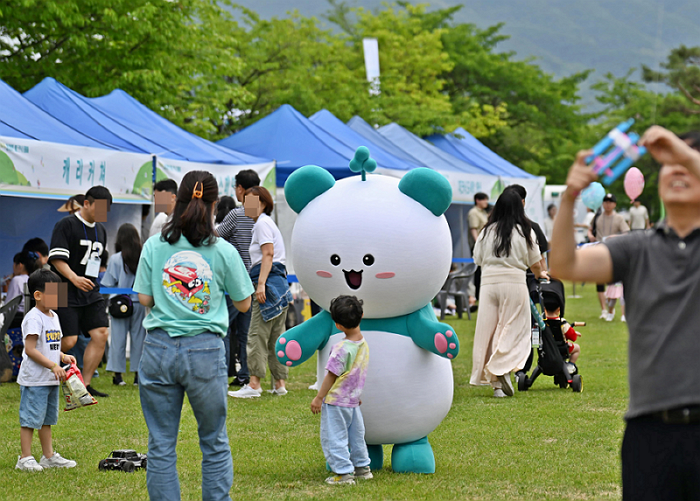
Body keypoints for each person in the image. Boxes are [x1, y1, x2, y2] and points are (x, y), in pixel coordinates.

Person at [550, 126, 700, 501]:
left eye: (687, 165)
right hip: (649, 433)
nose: (678, 170)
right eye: (669, 166)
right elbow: (565, 264)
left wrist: (681, 154)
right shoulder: (636, 249)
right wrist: (569, 198)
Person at [133, 170, 253, 501]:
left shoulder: (155, 245)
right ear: (215, 204)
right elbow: (243, 303)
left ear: (178, 201)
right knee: (213, 440)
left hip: (157, 349)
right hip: (205, 350)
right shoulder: (223, 250)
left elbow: (144, 298)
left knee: (160, 443)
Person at [470, 190, 547, 397]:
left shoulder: (486, 231)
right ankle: (499, 367)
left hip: (488, 284)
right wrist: (543, 275)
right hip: (514, 282)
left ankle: (497, 386)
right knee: (513, 327)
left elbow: (477, 259)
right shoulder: (525, 231)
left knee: (489, 329)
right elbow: (535, 263)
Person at [48, 186, 112, 398]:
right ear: (86, 203)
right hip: (61, 287)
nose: (103, 214)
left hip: (89, 289)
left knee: (101, 333)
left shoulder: (101, 230)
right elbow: (56, 259)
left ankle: (83, 384)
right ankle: (43, 374)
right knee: (68, 341)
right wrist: (74, 278)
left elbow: (99, 262)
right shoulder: (66, 225)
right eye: (100, 208)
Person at [229, 186, 292, 399]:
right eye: (245, 201)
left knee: (256, 334)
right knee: (276, 336)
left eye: (251, 201)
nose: (246, 205)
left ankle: (254, 384)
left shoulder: (261, 224)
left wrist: (261, 284)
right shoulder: (268, 223)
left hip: (268, 282)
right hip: (281, 285)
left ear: (263, 203)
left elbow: (268, 254)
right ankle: (279, 382)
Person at [16, 269, 77, 471]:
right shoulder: (34, 318)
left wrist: (62, 357)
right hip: (35, 379)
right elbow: (31, 349)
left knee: (46, 419)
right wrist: (53, 365)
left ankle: (48, 456)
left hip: (50, 378)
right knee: (30, 419)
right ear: (38, 295)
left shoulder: (54, 316)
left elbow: (51, 346)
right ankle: (24, 458)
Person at [310, 295, 372, 485]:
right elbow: (357, 372)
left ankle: (343, 473)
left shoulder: (341, 348)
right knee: (356, 436)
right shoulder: (363, 344)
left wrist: (319, 398)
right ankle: (362, 468)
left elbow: (332, 375)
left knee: (334, 436)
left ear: (337, 325)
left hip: (336, 401)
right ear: (361, 316)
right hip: (353, 400)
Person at [218, 169, 261, 387]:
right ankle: (245, 374)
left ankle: (223, 372)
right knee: (247, 333)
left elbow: (215, 236)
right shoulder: (262, 216)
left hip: (236, 283)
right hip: (256, 281)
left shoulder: (237, 214)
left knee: (224, 327)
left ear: (241, 189)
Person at [102, 224, 146, 387]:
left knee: (118, 340)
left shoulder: (115, 259)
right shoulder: (142, 257)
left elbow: (108, 282)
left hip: (119, 304)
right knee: (139, 339)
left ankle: (118, 375)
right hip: (139, 302)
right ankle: (137, 376)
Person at [587, 193, 629, 320]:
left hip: (615, 252)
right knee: (599, 281)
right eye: (605, 202)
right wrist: (590, 235)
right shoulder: (598, 217)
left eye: (610, 202)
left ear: (614, 204)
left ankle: (619, 311)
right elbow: (590, 229)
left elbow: (626, 233)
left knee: (616, 282)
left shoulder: (619, 218)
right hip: (600, 250)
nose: (608, 204)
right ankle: (604, 310)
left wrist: (614, 238)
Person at [467, 192, 490, 307]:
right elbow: (473, 229)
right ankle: (475, 296)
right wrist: (477, 244)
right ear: (477, 200)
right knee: (477, 272)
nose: (486, 202)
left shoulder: (484, 213)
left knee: (483, 272)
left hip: (486, 246)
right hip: (478, 247)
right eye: (484, 200)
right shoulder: (474, 213)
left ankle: (481, 295)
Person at [7, 251, 40, 320]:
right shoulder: (35, 279)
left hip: (16, 319)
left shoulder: (17, 280)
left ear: (20, 265)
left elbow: (8, 306)